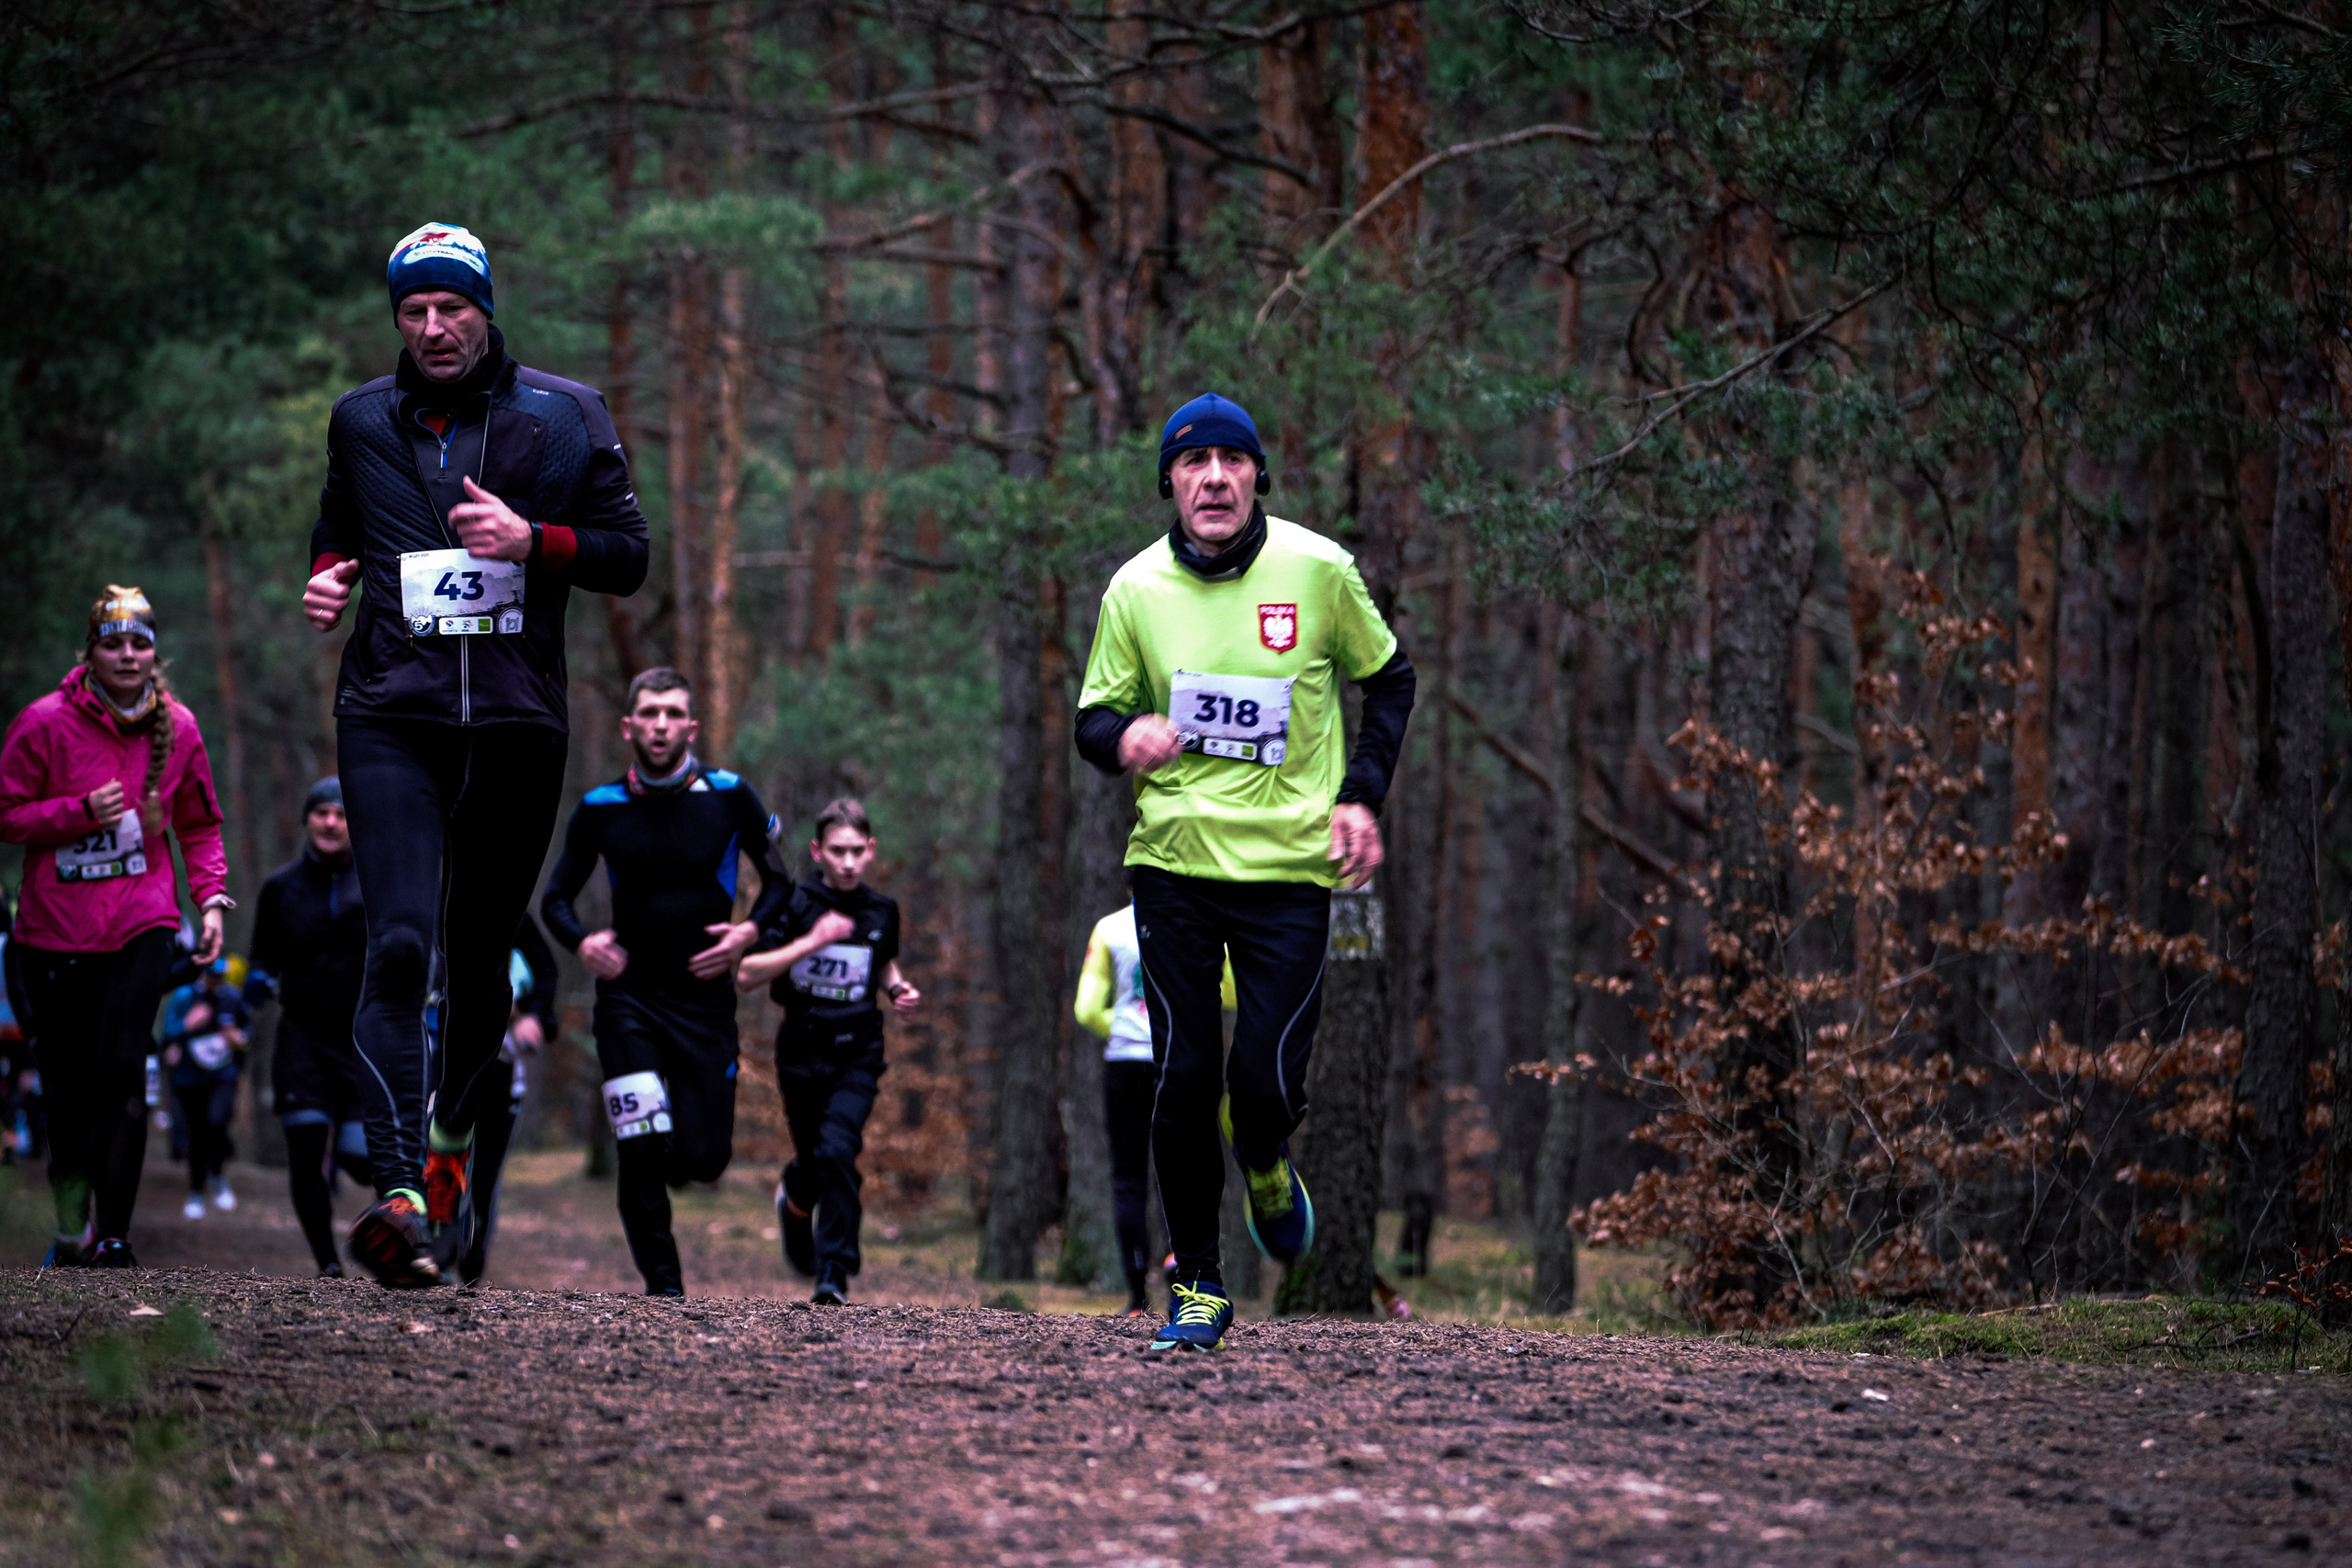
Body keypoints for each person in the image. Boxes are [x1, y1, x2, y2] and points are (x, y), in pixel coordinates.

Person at [300, 222, 649, 1286]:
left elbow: (628, 557)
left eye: (452, 307)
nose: (434, 328)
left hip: (514, 722)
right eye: (414, 311)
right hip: (389, 714)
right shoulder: (362, 418)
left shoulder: (565, 414)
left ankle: (450, 1137)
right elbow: (340, 522)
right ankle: (399, 1192)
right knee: (400, 945)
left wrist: (534, 542)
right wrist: (330, 574)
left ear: (485, 309)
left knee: (478, 955)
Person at [1073, 393, 1415, 1353]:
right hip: (1173, 865)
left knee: (1259, 1085)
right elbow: (1092, 719)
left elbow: (1390, 679)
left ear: (1258, 476)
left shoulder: (1317, 569)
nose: (1215, 478)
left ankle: (1264, 1155)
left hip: (1290, 870)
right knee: (1181, 1075)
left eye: (1233, 460)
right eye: (1194, 463)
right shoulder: (1134, 589)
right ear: (1170, 483)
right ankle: (1199, 1286)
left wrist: (1360, 796)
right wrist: (1124, 737)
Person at [0, 585, 232, 1269]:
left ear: (154, 653)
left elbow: (199, 825)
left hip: (142, 920)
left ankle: (115, 1237)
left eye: (139, 643)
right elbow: (7, 814)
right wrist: (76, 813)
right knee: (68, 1086)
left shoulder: (180, 727)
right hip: (53, 929)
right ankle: (72, 1222)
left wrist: (210, 901)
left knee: (125, 1068)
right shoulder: (43, 722)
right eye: (113, 643)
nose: (128, 655)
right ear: (91, 653)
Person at [541, 668, 789, 1295]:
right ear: (628, 726)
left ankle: (679, 1154)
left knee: (705, 1159)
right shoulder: (600, 808)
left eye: (673, 713)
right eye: (649, 714)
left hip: (704, 1001)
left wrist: (747, 933)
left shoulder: (730, 795)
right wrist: (584, 942)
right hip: (628, 996)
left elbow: (780, 883)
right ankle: (664, 1289)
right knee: (640, 1142)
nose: (660, 725)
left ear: (691, 727)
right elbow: (556, 900)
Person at [736, 798, 920, 1305]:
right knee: (813, 1162)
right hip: (801, 1050)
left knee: (839, 1150)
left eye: (857, 851)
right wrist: (810, 942)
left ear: (871, 851)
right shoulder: (794, 904)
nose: (848, 862)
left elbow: (882, 962)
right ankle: (795, 1200)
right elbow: (748, 974)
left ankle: (833, 1271)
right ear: (818, 852)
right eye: (838, 851)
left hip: (857, 1051)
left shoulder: (882, 910)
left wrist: (897, 988)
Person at [1074, 897, 1231, 1316]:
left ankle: (1136, 1295)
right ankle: (1180, 1264)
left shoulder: (1108, 929)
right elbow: (1230, 991)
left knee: (1129, 1178)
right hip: (1174, 1055)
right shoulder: (1200, 919)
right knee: (1179, 1165)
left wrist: (1124, 1028)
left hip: (1125, 1061)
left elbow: (1086, 1009)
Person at [244, 777, 371, 1276]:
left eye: (341, 814)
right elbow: (262, 955)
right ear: (306, 820)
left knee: (361, 1160)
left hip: (359, 1039)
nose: (331, 823)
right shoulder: (281, 887)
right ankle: (328, 1264)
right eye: (321, 813)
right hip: (301, 1036)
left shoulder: (376, 883)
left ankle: (385, 1242)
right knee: (305, 1146)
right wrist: (256, 979)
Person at [454, 914, 560, 1287]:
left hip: (502, 1068)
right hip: (442, 1062)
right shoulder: (432, 902)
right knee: (442, 1158)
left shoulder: (517, 918)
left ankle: (472, 1261)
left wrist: (534, 1015)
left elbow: (547, 973)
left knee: (485, 1175)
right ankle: (432, 1251)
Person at [161, 955, 251, 1218]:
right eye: (212, 975)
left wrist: (239, 1038)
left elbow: (246, 1029)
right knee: (196, 1134)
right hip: (190, 1078)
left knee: (217, 1122)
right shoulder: (184, 997)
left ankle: (218, 1177)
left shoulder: (232, 998)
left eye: (220, 976)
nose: (216, 981)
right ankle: (196, 1191)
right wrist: (187, 1025)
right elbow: (168, 1033)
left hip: (222, 1076)